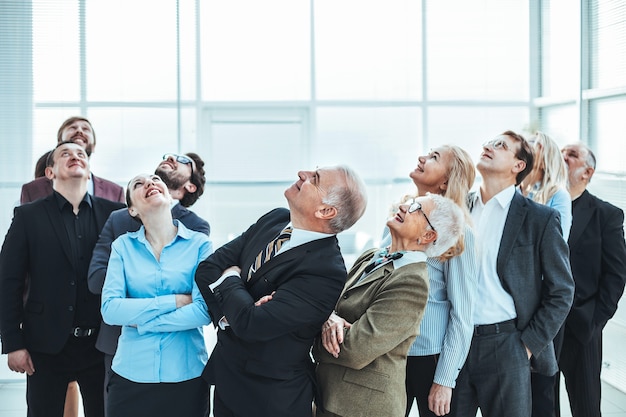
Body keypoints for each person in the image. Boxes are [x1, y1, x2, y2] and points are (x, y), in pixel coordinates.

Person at [195, 165, 368, 417]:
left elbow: (252, 324)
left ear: (325, 211)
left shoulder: (326, 271)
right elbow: (208, 269)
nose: (302, 173)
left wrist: (231, 276)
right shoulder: (275, 218)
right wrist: (230, 316)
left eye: (315, 178)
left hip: (270, 399)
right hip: (227, 380)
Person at [449, 131, 574, 417]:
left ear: (519, 165)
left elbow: (562, 291)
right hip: (455, 343)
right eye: (489, 143)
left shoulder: (540, 218)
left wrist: (527, 346)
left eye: (500, 145)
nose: (488, 147)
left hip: (507, 345)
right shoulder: (457, 208)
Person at [0, 141, 125, 417]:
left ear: (89, 170)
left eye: (81, 154)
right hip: (45, 346)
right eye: (65, 154)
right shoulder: (27, 216)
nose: (74, 156)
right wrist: (13, 343)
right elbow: (9, 281)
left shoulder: (114, 214)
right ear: (50, 172)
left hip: (100, 346)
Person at [313, 193, 465, 417]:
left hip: (362, 407)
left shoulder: (412, 282)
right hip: (328, 394)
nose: (404, 206)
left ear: (428, 235)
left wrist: (309, 336)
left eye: (415, 208)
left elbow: (356, 350)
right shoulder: (371, 256)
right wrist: (329, 317)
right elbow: (329, 305)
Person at [87, 152, 209, 407]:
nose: (150, 183)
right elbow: (110, 310)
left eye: (155, 179)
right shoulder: (122, 246)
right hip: (130, 375)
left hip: (186, 374)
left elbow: (202, 311)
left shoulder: (200, 244)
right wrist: (175, 301)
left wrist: (140, 321)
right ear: (131, 208)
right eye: (138, 184)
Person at [399, 145, 478, 417]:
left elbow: (463, 314)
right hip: (391, 353)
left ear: (446, 181)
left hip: (429, 359)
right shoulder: (401, 217)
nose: (421, 157)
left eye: (434, 158)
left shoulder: (458, 233)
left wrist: (444, 380)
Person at [557, 143, 626, 417]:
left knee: (586, 409)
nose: (563, 157)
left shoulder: (606, 215)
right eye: (561, 153)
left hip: (582, 329)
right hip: (541, 330)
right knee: (542, 409)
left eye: (571, 155)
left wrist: (594, 321)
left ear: (587, 172)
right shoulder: (538, 209)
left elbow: (617, 274)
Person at [519, 131, 572, 417]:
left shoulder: (557, 196)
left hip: (543, 305)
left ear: (543, 153)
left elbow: (555, 250)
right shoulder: (515, 192)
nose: (524, 146)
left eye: (531, 144)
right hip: (518, 303)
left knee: (541, 389)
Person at [20, 116, 124, 204]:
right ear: (59, 142)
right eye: (72, 128)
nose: (79, 130)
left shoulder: (115, 192)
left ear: (93, 146)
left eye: (86, 129)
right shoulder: (32, 190)